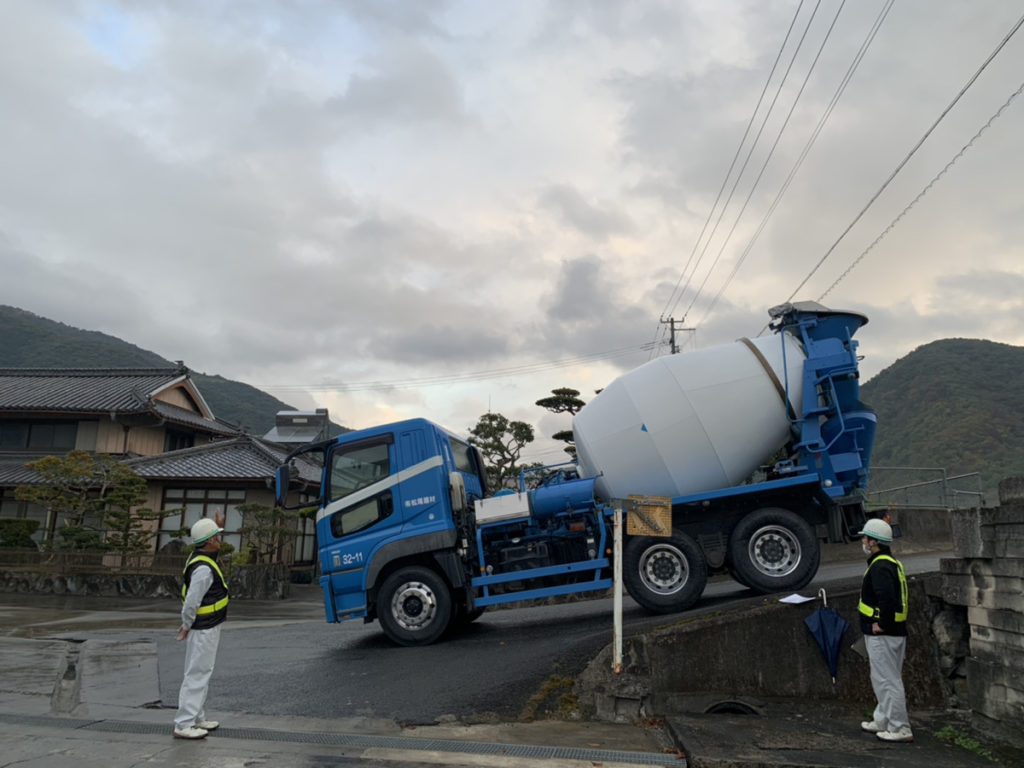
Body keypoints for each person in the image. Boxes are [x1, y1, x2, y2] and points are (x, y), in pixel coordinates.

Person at [173, 509, 229, 739]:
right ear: (209, 542)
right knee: (197, 673)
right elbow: (192, 602)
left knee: (202, 671)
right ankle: (183, 723)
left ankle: (197, 717)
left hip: (208, 624)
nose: (219, 541)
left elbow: (192, 600)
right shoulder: (203, 569)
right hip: (203, 626)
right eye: (216, 537)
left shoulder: (202, 558)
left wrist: (216, 525)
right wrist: (186, 625)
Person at [857, 517, 913, 743]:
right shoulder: (889, 563)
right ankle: (882, 719)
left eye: (865, 538)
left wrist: (882, 624)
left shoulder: (880, 567)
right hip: (892, 632)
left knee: (888, 681)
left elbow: (887, 599)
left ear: (874, 542)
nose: (863, 541)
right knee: (882, 678)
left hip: (883, 633)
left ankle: (900, 727)